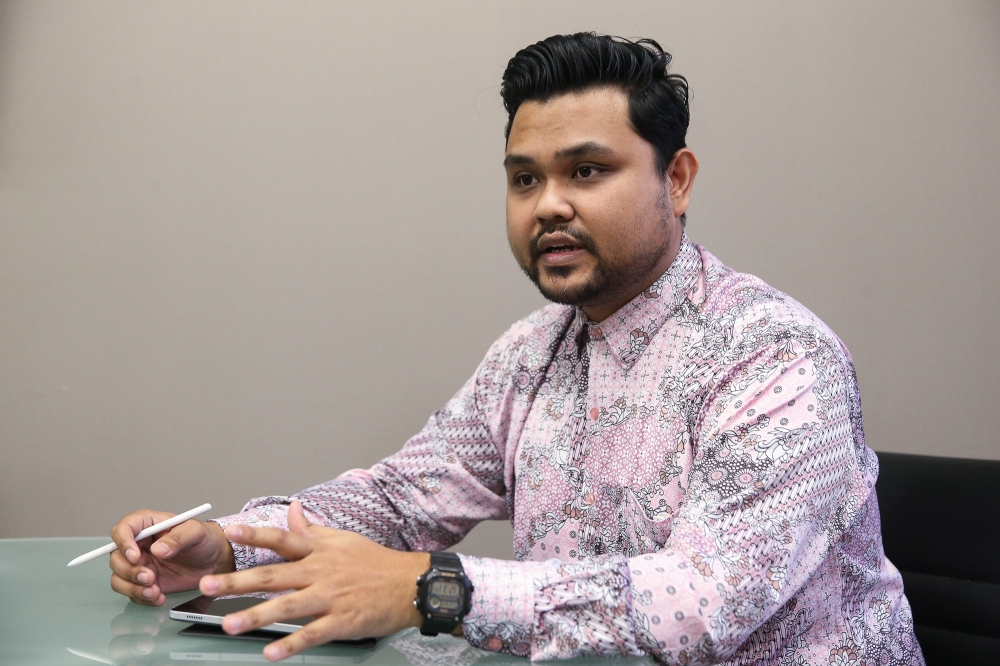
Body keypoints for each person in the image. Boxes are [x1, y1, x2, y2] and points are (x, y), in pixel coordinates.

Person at [109, 33, 924, 665]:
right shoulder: (534, 352)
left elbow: (704, 603)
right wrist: (230, 549)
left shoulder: (777, 356)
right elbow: (400, 500)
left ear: (676, 179)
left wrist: (435, 589)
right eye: (525, 179)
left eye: (588, 171)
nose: (549, 206)